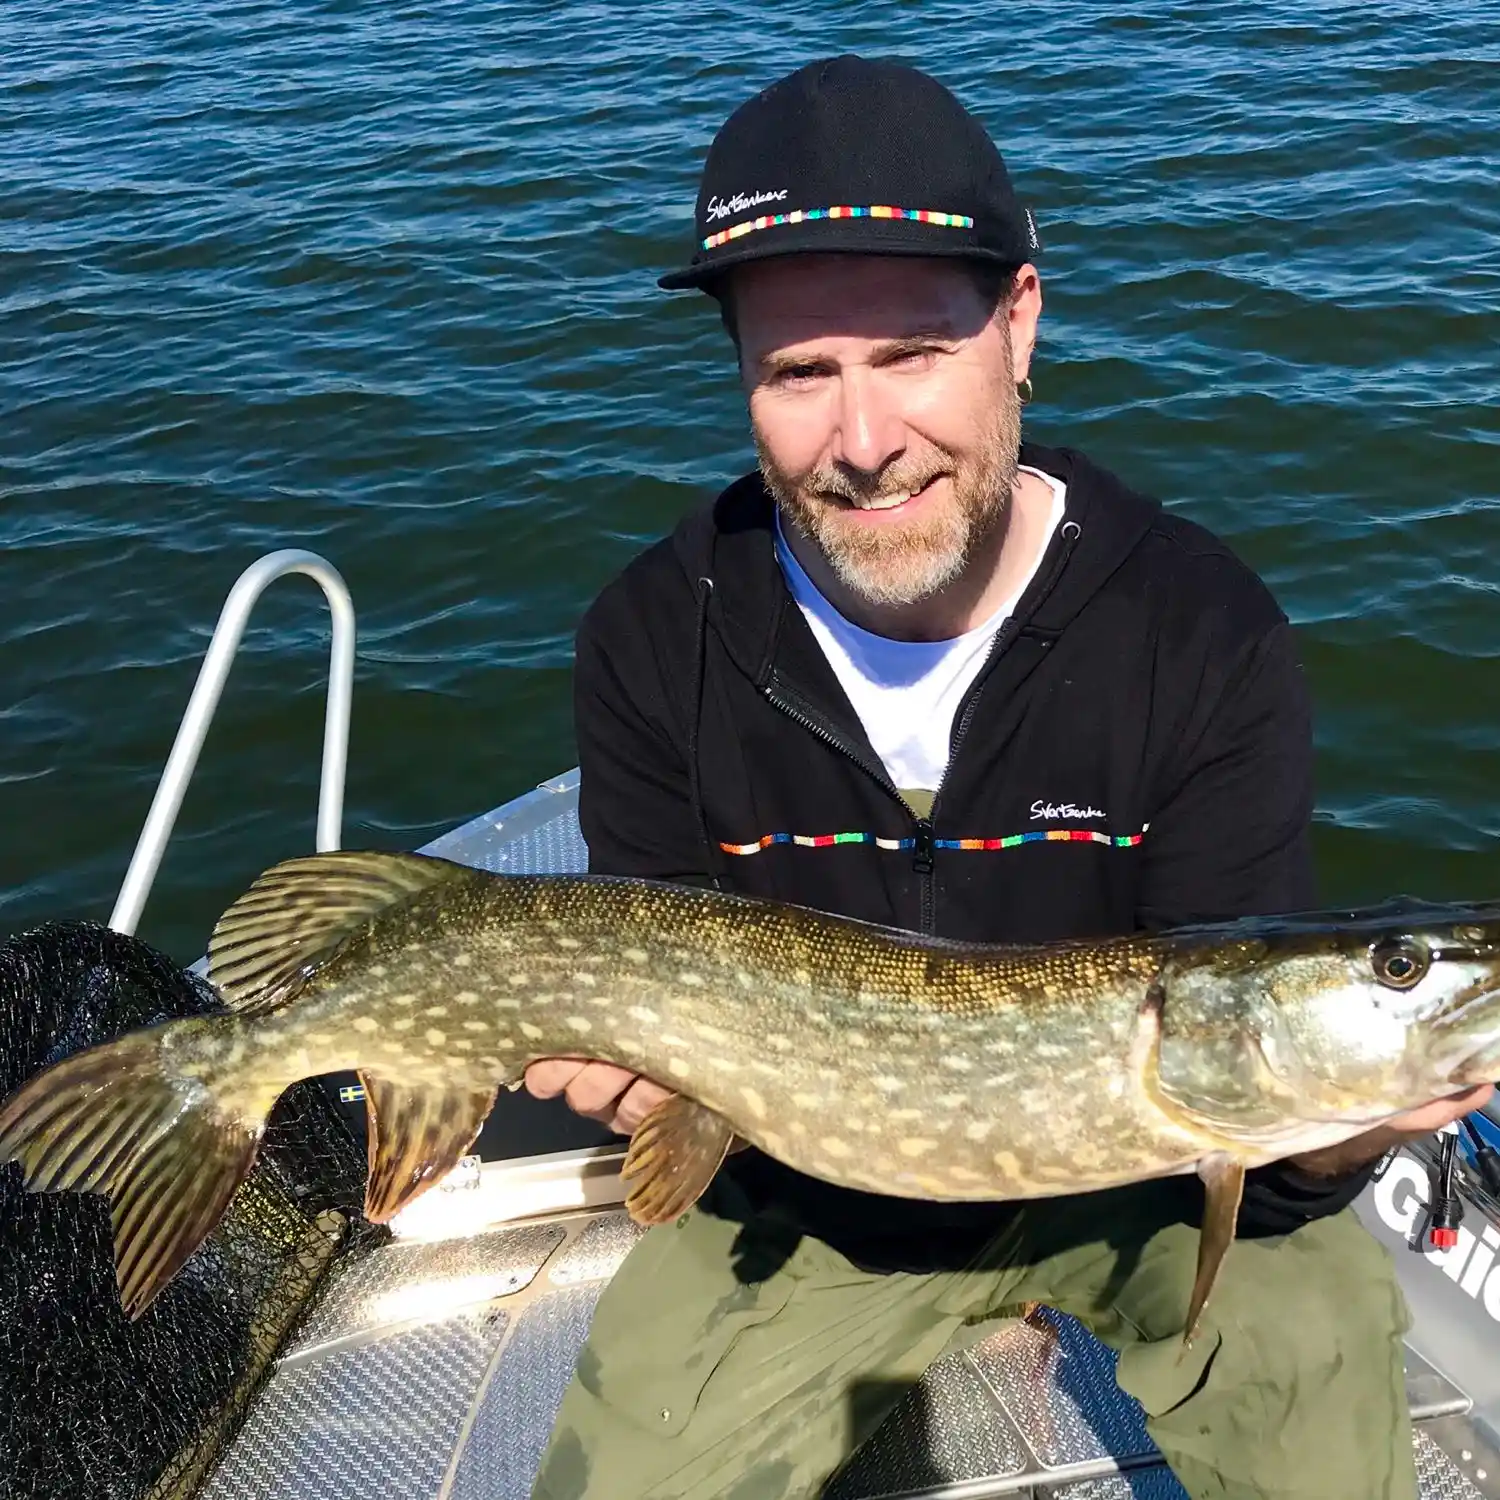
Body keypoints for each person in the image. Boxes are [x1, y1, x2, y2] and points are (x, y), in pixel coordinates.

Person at [526, 55, 1490, 1500]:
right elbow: (655, 990)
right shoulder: (658, 634)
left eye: (914, 351)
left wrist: (1338, 1138)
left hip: (1153, 1198)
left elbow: (1249, 1071)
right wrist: (638, 1087)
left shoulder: (1199, 629)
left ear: (1019, 322)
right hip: (807, 1203)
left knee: (1322, 1421)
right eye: (801, 372)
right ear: (744, 373)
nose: (862, 443)